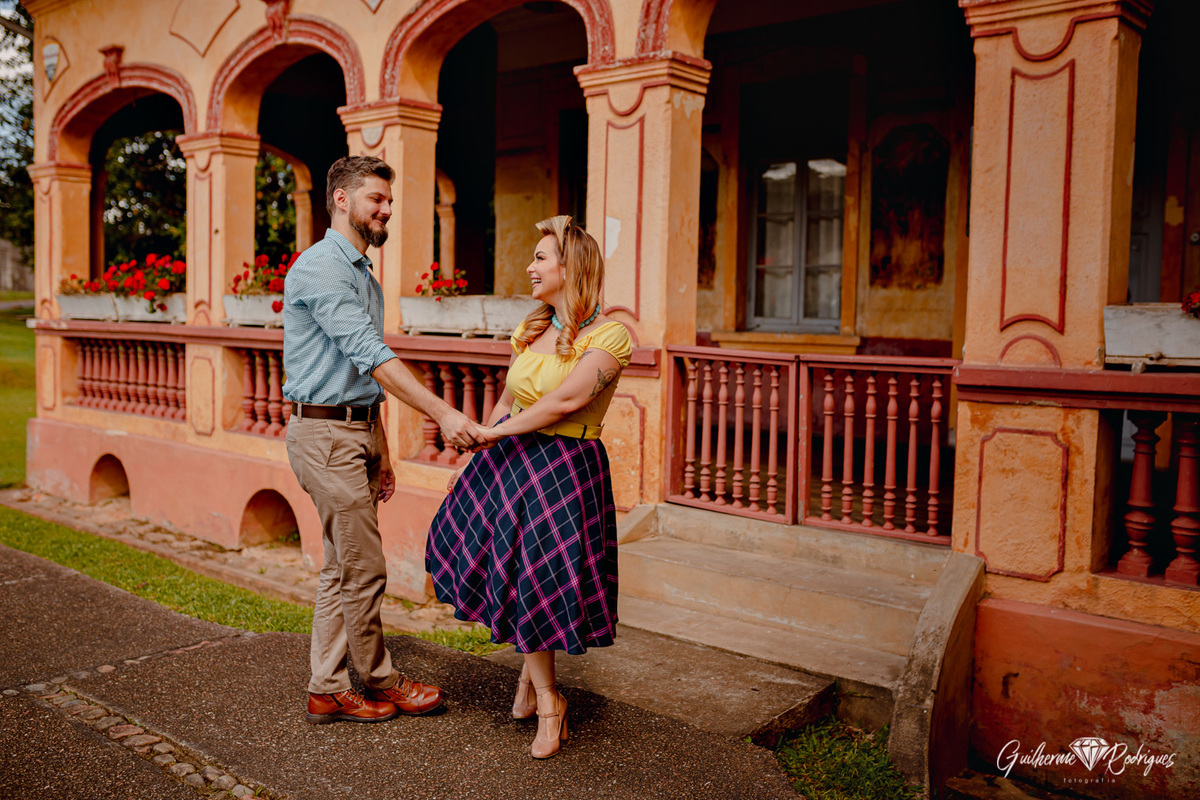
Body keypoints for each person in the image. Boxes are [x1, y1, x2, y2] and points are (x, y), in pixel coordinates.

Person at [283, 155, 488, 725]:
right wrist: (444, 412)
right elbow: (372, 356)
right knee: (366, 568)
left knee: (341, 566)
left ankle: (325, 687)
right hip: (324, 435)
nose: (387, 209)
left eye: (389, 200)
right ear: (342, 200)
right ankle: (380, 680)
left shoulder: (361, 274)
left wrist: (383, 451)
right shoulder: (321, 267)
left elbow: (359, 376)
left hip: (354, 432)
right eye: (377, 198)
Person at [426, 215, 631, 758]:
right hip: (513, 460)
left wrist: (494, 431)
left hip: (564, 467)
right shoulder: (532, 329)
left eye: (541, 258)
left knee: (539, 578)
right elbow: (510, 396)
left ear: (571, 267)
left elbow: (564, 402)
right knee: (509, 570)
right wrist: (476, 452)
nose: (529, 267)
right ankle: (535, 682)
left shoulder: (610, 336)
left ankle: (549, 703)